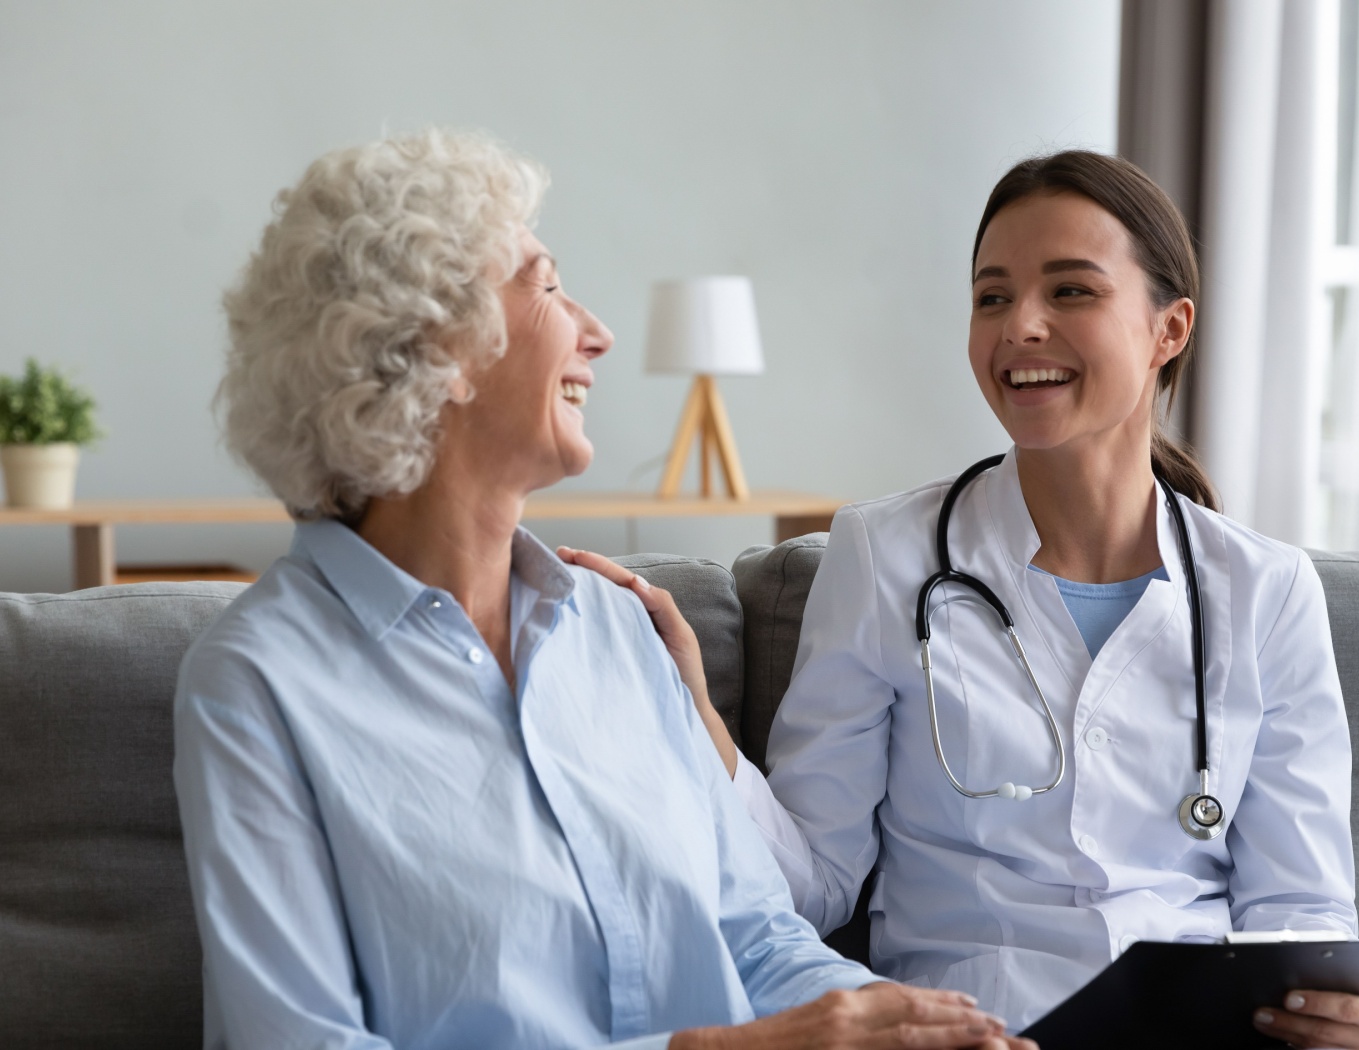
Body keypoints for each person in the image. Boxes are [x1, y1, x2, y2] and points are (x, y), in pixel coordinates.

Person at [173, 128, 1031, 1050]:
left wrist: (914, 1026)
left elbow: (759, 937)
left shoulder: (617, 630)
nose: (597, 332)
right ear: (436, 346)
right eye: (546, 286)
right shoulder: (257, 684)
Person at [567, 151, 1359, 1049]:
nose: (1022, 327)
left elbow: (1301, 909)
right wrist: (699, 712)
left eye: (1071, 291)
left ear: (1170, 329)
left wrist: (1337, 1009)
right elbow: (811, 883)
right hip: (985, 1031)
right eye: (993, 297)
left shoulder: (1267, 592)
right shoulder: (885, 556)